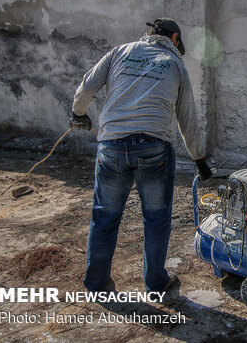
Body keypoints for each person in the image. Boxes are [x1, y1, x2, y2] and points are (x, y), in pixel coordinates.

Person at [69, 18, 212, 293]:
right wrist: (199, 160)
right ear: (175, 40)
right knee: (156, 219)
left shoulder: (119, 52)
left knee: (104, 217)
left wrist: (78, 113)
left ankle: (97, 282)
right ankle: (156, 282)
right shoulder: (176, 66)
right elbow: (188, 121)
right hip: (154, 149)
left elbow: (87, 87)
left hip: (111, 145)